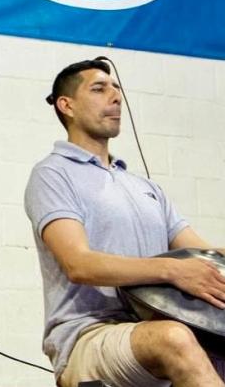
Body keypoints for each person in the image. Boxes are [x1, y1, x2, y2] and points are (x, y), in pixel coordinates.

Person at [25, 59, 225, 387]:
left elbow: (203, 254)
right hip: (88, 335)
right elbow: (79, 265)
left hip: (156, 325)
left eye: (116, 89)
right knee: (173, 339)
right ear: (67, 105)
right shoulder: (52, 174)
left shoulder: (145, 188)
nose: (115, 97)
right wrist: (173, 270)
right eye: (99, 89)